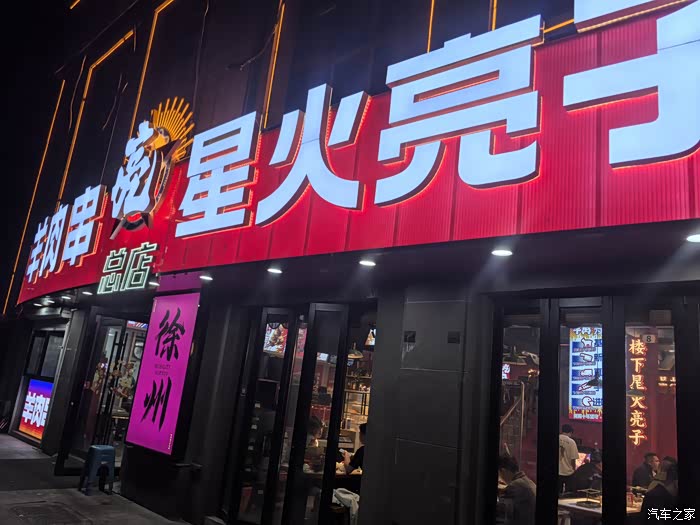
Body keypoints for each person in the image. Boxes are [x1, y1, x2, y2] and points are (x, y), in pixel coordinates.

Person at [497, 455, 536, 525]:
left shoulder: (514, 486)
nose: (500, 478)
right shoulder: (528, 482)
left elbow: (502, 516)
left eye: (499, 475)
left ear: (503, 471)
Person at [559, 424, 579, 494]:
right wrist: (574, 469)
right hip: (568, 473)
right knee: (568, 494)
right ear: (570, 432)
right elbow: (573, 459)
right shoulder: (572, 442)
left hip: (558, 472)